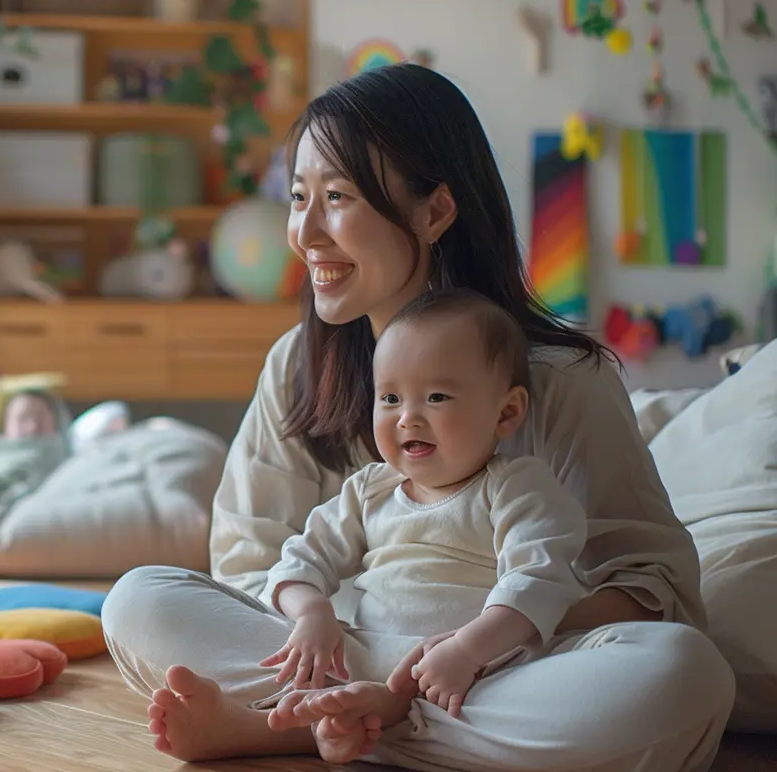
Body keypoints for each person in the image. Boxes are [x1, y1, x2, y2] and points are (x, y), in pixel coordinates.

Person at [100, 63, 734, 772]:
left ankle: (309, 726)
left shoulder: (561, 381)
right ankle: (367, 717)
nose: (306, 232)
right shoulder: (297, 366)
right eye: (299, 197)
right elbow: (251, 564)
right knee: (138, 600)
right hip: (340, 652)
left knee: (685, 673)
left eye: (337, 197)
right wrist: (332, 624)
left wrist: (480, 636)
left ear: (434, 212)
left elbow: (658, 595)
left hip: (496, 670)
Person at [260, 288, 590, 751]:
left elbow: (537, 580)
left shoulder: (516, 487)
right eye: (390, 398)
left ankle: (356, 722)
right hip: (364, 657)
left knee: (670, 658)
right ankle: (364, 715)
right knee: (159, 592)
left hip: (474, 675)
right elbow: (298, 562)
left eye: (436, 397)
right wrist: (313, 614)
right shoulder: (369, 490)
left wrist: (467, 651)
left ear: (507, 412)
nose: (407, 418)